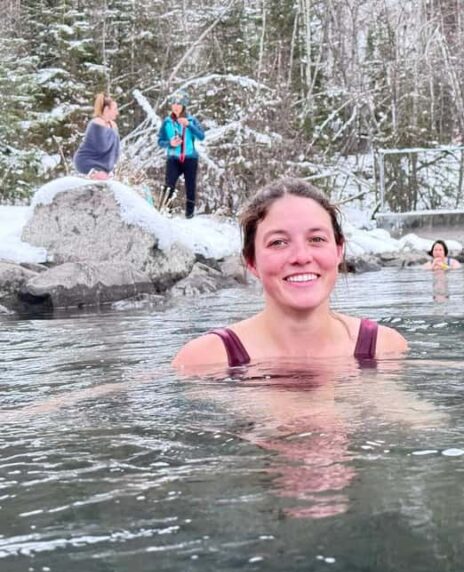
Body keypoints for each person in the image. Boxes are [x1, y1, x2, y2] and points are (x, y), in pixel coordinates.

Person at [172, 178, 408, 371]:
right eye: (278, 242)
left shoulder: (383, 348)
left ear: (338, 251)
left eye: (316, 239)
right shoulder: (203, 360)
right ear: (251, 261)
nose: (301, 256)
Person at [157, 91, 205, 218]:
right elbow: (160, 141)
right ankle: (167, 212)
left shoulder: (191, 120)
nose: (176, 106)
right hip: (173, 158)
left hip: (190, 158)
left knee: (190, 186)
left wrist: (189, 125)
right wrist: (170, 143)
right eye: (173, 103)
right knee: (169, 184)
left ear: (184, 105)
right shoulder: (167, 122)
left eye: (179, 103)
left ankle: (190, 215)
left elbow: (201, 136)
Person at [73, 92, 121, 180]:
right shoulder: (96, 123)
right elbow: (102, 147)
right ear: (106, 109)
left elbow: (116, 150)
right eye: (115, 109)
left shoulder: (113, 125)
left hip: (104, 167)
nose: (117, 112)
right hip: (88, 162)